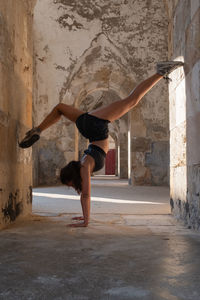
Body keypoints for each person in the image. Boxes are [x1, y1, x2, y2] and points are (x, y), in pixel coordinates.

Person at [19, 61, 184, 227]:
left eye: (68, 183)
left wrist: (85, 221)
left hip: (95, 126)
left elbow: (86, 196)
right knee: (60, 108)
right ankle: (38, 130)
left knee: (132, 100)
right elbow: (84, 194)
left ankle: (160, 72)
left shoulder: (84, 168)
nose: (69, 186)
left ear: (72, 176)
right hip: (88, 127)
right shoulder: (83, 165)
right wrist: (83, 217)